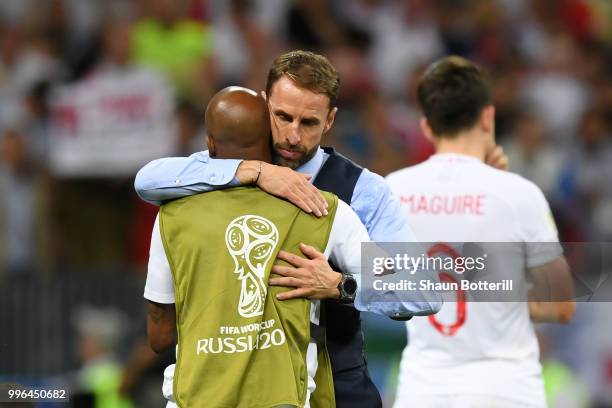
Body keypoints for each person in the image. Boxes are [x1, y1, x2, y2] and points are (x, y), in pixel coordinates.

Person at [135, 50, 442, 407]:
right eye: (282, 116)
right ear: (265, 105)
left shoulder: (360, 190)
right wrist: (258, 172)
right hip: (233, 383)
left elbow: (422, 290)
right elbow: (147, 179)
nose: (292, 136)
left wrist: (339, 286)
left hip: (338, 383)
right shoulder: (224, 165)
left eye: (308, 123)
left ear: (330, 120)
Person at [385, 56, 576, 408]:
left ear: (427, 126)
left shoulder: (392, 191)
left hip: (423, 390)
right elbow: (560, 306)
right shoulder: (520, 195)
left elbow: (379, 293)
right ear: (487, 116)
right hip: (505, 390)